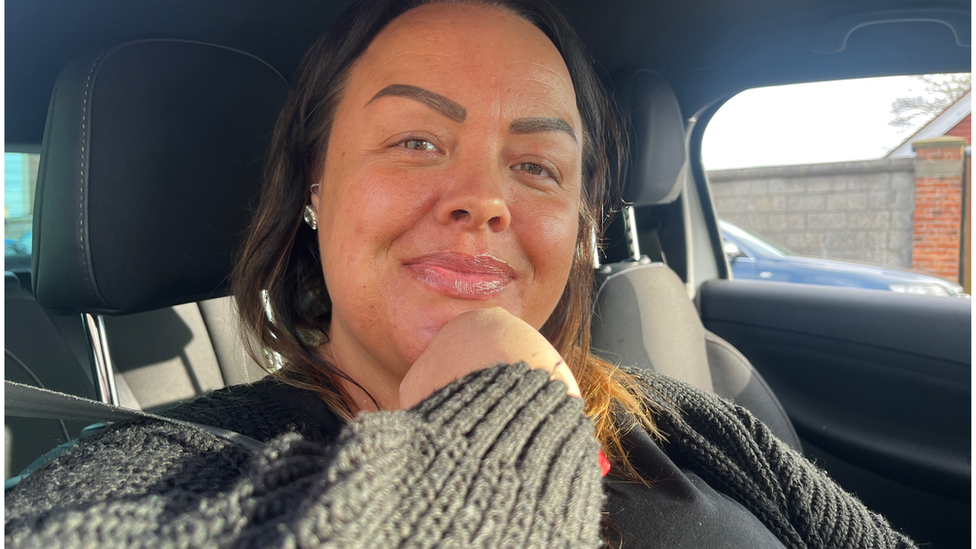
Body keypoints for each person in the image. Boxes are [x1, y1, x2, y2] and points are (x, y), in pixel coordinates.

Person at [6, 1, 917, 547]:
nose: (484, 199)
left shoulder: (678, 416)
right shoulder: (145, 474)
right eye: (415, 141)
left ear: (580, 223)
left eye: (536, 166)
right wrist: (497, 400)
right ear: (314, 186)